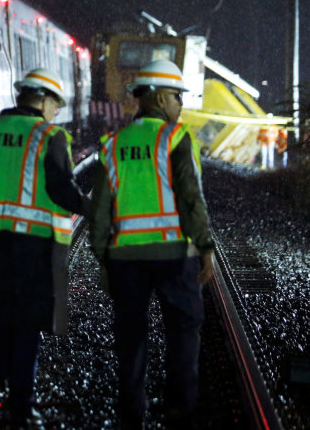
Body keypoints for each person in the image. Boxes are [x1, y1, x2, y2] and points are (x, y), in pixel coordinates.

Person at [0, 68, 89, 426]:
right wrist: (94, 207)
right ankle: (21, 404)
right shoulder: (49, 136)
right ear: (41, 99)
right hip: (31, 248)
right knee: (26, 322)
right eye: (55, 103)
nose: (55, 111)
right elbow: (61, 189)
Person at [89, 59, 215, 429]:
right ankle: (180, 410)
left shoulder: (112, 144)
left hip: (125, 258)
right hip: (174, 254)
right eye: (178, 96)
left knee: (130, 335)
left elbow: (100, 209)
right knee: (183, 330)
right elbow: (192, 199)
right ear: (160, 97)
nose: (181, 104)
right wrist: (205, 246)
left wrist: (103, 258)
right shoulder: (175, 138)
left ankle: (132, 413)